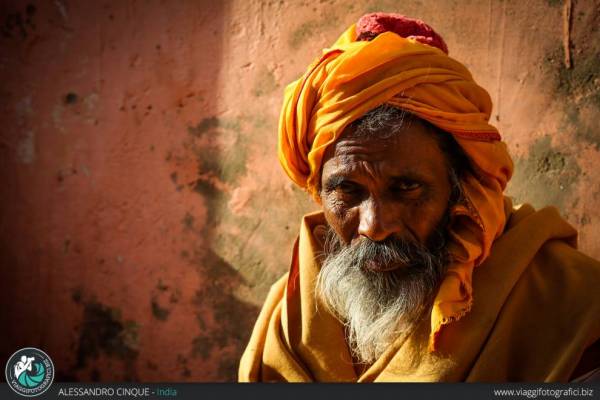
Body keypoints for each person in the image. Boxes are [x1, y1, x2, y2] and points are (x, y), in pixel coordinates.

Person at [238, 12, 600, 382]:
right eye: (347, 190)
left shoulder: (570, 303)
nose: (374, 226)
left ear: (462, 186)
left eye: (407, 188)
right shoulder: (290, 311)